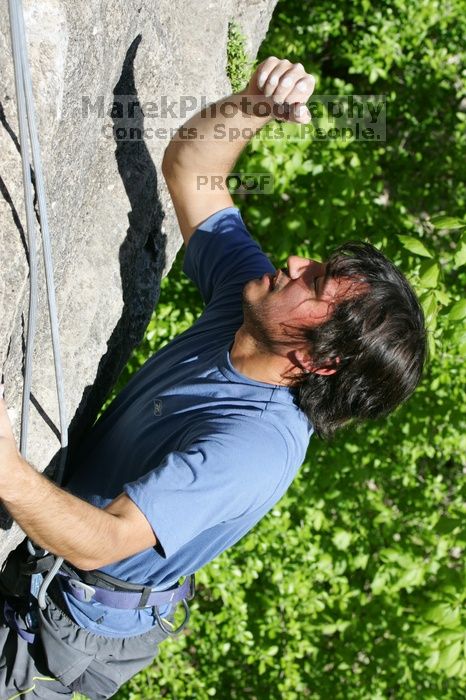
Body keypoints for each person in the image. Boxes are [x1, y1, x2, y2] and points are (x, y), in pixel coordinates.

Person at [0, 57, 426, 698]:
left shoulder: (254, 445)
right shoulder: (247, 301)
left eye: (314, 282)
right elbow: (193, 175)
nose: (294, 260)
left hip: (65, 623)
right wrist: (255, 106)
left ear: (318, 360)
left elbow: (103, 542)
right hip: (54, 556)